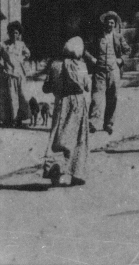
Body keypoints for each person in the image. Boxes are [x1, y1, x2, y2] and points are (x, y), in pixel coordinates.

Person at [42, 37, 91, 187]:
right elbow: (87, 87)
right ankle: (77, 173)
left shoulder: (55, 65)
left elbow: (46, 88)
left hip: (61, 102)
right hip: (77, 103)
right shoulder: (81, 65)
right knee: (79, 137)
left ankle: (54, 165)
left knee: (58, 133)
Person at [84, 11, 130, 135]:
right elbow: (85, 49)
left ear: (115, 24)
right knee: (96, 97)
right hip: (99, 72)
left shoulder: (118, 37)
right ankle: (92, 123)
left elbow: (127, 50)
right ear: (104, 23)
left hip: (114, 71)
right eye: (108, 22)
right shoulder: (96, 36)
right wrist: (92, 59)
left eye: (112, 23)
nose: (110, 25)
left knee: (112, 97)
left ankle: (108, 123)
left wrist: (121, 59)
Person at [0, 21, 32, 127]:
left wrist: (22, 59)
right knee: (10, 97)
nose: (14, 35)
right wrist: (0, 63)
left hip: (20, 75)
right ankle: (10, 119)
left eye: (16, 33)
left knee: (22, 96)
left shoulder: (21, 45)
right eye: (12, 32)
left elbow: (28, 53)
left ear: (19, 34)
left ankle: (19, 119)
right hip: (8, 74)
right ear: (8, 33)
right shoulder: (3, 45)